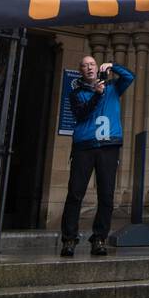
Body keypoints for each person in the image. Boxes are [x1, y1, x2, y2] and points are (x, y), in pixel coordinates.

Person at [60, 55, 134, 257]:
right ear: (81, 71)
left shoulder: (113, 88)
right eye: (84, 65)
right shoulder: (76, 93)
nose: (89, 68)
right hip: (84, 147)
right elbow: (81, 114)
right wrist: (96, 95)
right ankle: (69, 240)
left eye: (92, 64)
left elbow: (130, 77)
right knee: (75, 194)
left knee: (106, 196)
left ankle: (99, 238)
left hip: (108, 147)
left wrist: (114, 65)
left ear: (97, 68)